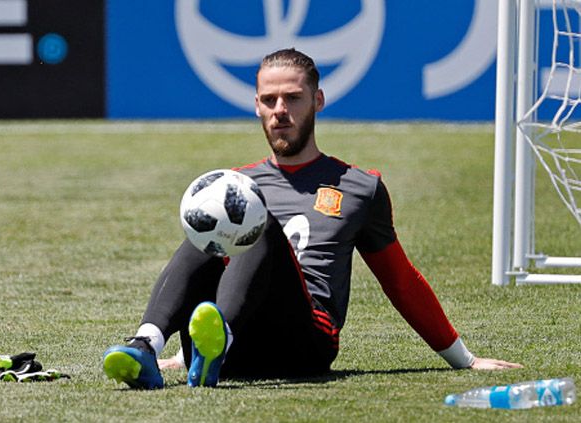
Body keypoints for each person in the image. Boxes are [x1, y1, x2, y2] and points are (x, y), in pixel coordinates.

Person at [102, 48, 522, 389]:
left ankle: (217, 341)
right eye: (269, 100)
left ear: (317, 100)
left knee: (255, 218)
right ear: (256, 106)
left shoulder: (360, 186)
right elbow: (207, 270)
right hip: (233, 346)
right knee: (209, 213)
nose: (280, 110)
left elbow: (400, 279)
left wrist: (463, 358)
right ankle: (147, 345)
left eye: (293, 98)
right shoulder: (235, 183)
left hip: (305, 342)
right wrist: (183, 350)